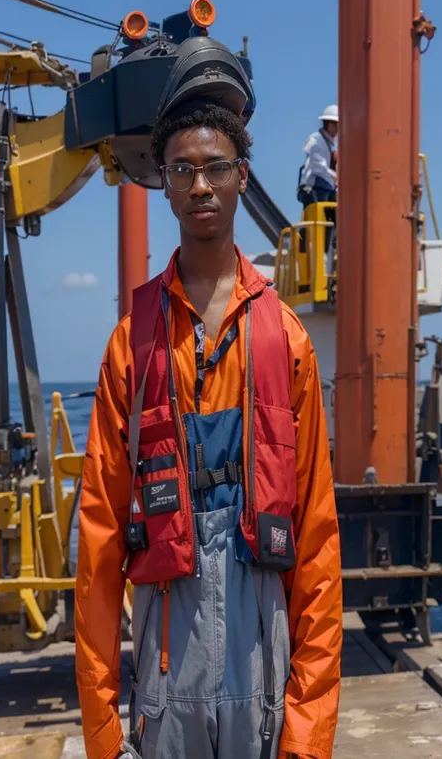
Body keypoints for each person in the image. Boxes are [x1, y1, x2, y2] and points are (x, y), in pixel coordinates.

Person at [75, 96, 342, 759]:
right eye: (181, 169)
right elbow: (101, 547)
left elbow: (316, 544)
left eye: (216, 167)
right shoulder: (129, 348)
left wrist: (306, 736)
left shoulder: (286, 341)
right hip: (167, 680)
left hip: (266, 677)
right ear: (162, 182)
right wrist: (104, 737)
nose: (200, 185)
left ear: (243, 176)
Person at [297, 105, 338, 209]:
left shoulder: (332, 143)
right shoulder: (316, 140)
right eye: (335, 124)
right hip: (313, 188)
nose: (337, 128)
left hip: (327, 188)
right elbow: (318, 167)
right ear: (327, 124)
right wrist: (337, 177)